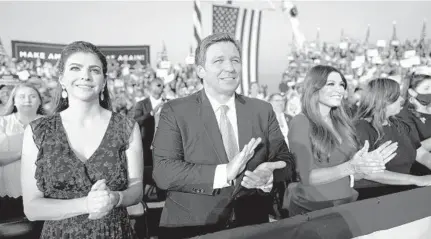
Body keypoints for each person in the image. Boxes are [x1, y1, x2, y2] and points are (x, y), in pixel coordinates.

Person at [152, 33, 295, 239]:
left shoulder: (262, 111)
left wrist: (270, 174)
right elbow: (163, 172)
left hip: (251, 226)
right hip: (193, 228)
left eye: (235, 60)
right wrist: (223, 173)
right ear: (201, 70)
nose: (230, 67)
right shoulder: (175, 111)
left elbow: (286, 162)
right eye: (219, 61)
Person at [21, 41, 143, 238]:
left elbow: (136, 190)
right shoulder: (38, 131)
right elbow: (32, 208)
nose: (85, 76)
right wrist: (86, 204)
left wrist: (116, 198)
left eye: (94, 70)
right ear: (62, 79)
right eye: (75, 68)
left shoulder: (127, 127)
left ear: (104, 81)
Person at [287, 66, 397, 216]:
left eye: (342, 85)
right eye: (331, 84)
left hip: (347, 204)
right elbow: (307, 177)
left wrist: (366, 165)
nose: (339, 90)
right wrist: (351, 167)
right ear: (314, 87)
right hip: (312, 209)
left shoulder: (343, 123)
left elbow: (350, 174)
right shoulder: (301, 122)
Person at [354, 78, 431, 200]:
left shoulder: (400, 124)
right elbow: (368, 172)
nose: (401, 100)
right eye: (397, 97)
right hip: (375, 196)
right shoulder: (361, 128)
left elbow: (420, 153)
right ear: (383, 101)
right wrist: (418, 180)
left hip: (403, 189)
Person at [0, 83, 44, 223]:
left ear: (40, 100)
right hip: (8, 196)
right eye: (22, 96)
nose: (27, 100)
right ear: (13, 101)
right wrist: (23, 153)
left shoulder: (51, 124)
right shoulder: (3, 123)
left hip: (44, 197)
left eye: (32, 96)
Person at [397, 74, 431, 176]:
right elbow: (413, 149)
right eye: (426, 88)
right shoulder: (403, 115)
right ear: (412, 92)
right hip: (421, 173)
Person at [131, 77, 166, 168]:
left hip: (165, 147)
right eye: (159, 85)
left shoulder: (168, 103)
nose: (162, 87)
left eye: (163, 85)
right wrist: (151, 113)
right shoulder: (142, 104)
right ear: (151, 87)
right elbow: (136, 122)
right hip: (147, 146)